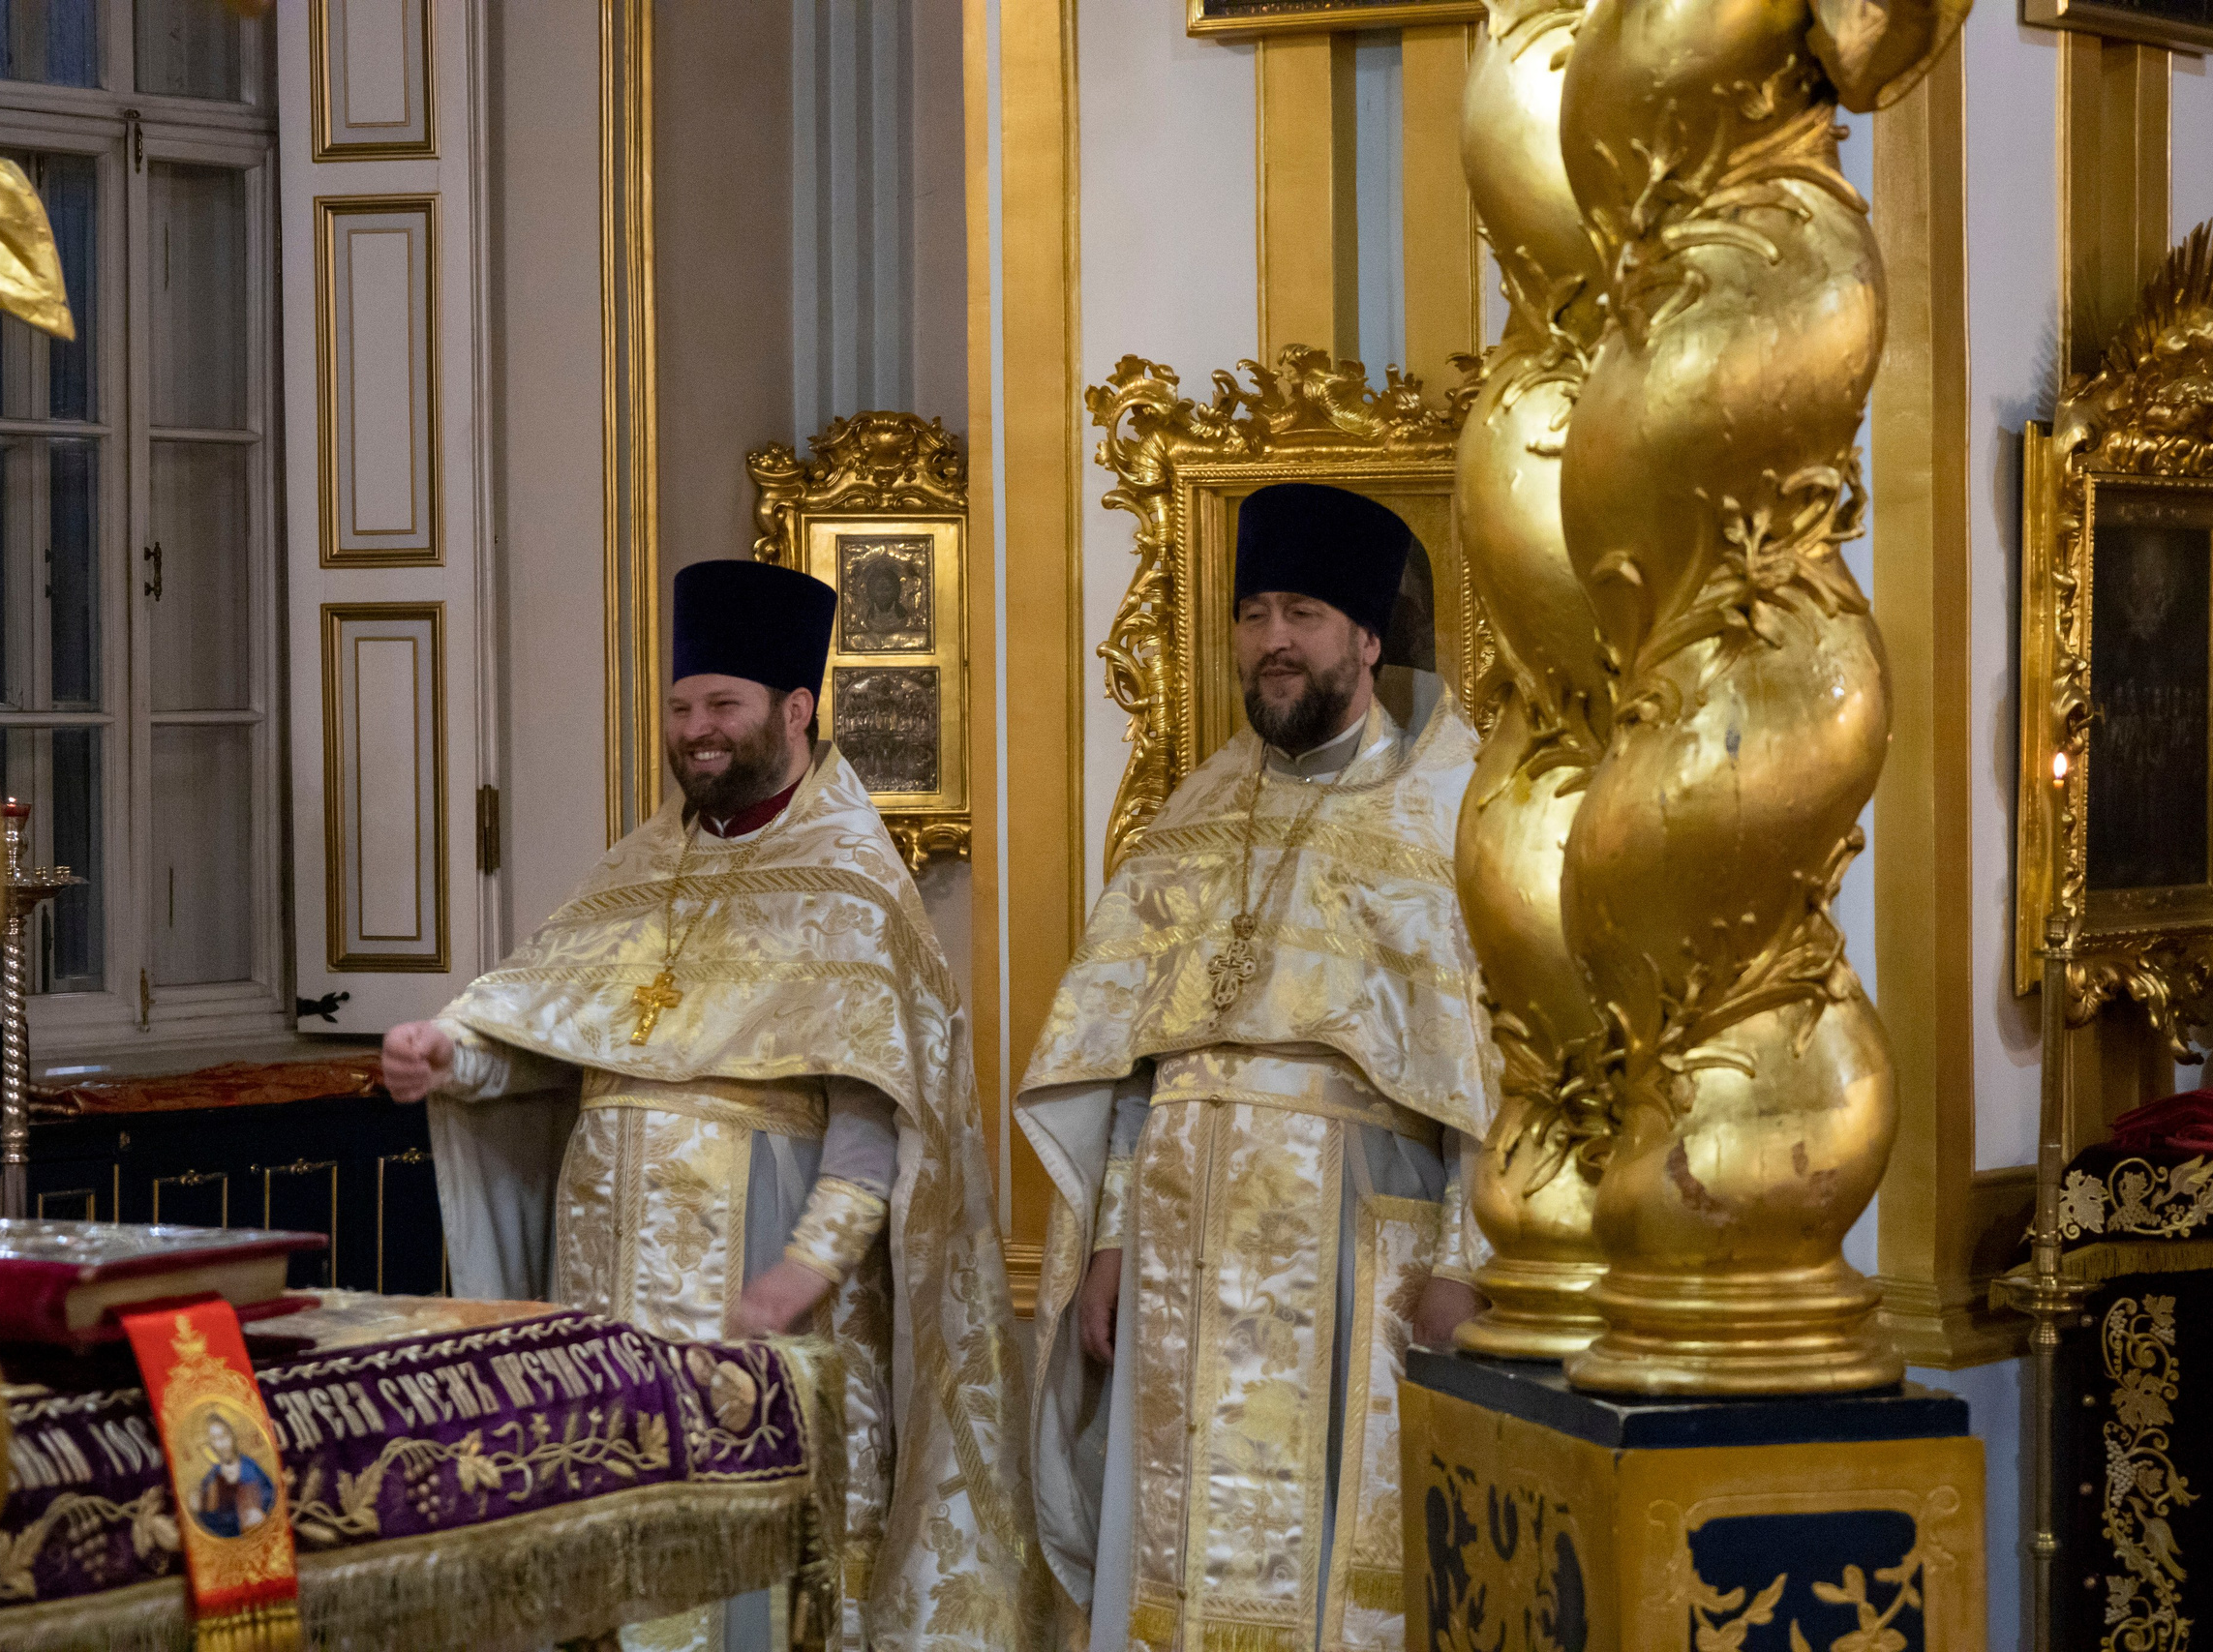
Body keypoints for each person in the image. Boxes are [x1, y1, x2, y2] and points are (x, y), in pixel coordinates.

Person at [381, 559, 1032, 1652]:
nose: (696, 731)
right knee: (608, 1544)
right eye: (682, 708)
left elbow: (878, 1119)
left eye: (722, 706)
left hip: (755, 1262)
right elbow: (547, 1036)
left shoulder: (854, 885)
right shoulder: (636, 867)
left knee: (740, 1569)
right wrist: (448, 1055)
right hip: (602, 1283)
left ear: (793, 710)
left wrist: (806, 1269)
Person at [1016, 482, 1497, 1652]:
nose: (1273, 640)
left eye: (1304, 614)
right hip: (1178, 1245)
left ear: (1370, 638)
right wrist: (1113, 1239)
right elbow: (1136, 1065)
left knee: (1332, 1558)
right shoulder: (1196, 805)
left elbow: (1504, 1061)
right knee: (1171, 1546)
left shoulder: (1457, 804)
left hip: (1352, 1245)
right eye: (1254, 614)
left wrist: (1462, 1259)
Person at [191, 1411, 274, 1540]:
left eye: (224, 1436)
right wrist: (201, 1505)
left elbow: (269, 1496)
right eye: (215, 1439)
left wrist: (253, 1507)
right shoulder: (211, 1476)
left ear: (232, 1435)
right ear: (211, 1444)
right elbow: (208, 1520)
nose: (221, 1445)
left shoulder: (249, 1467)